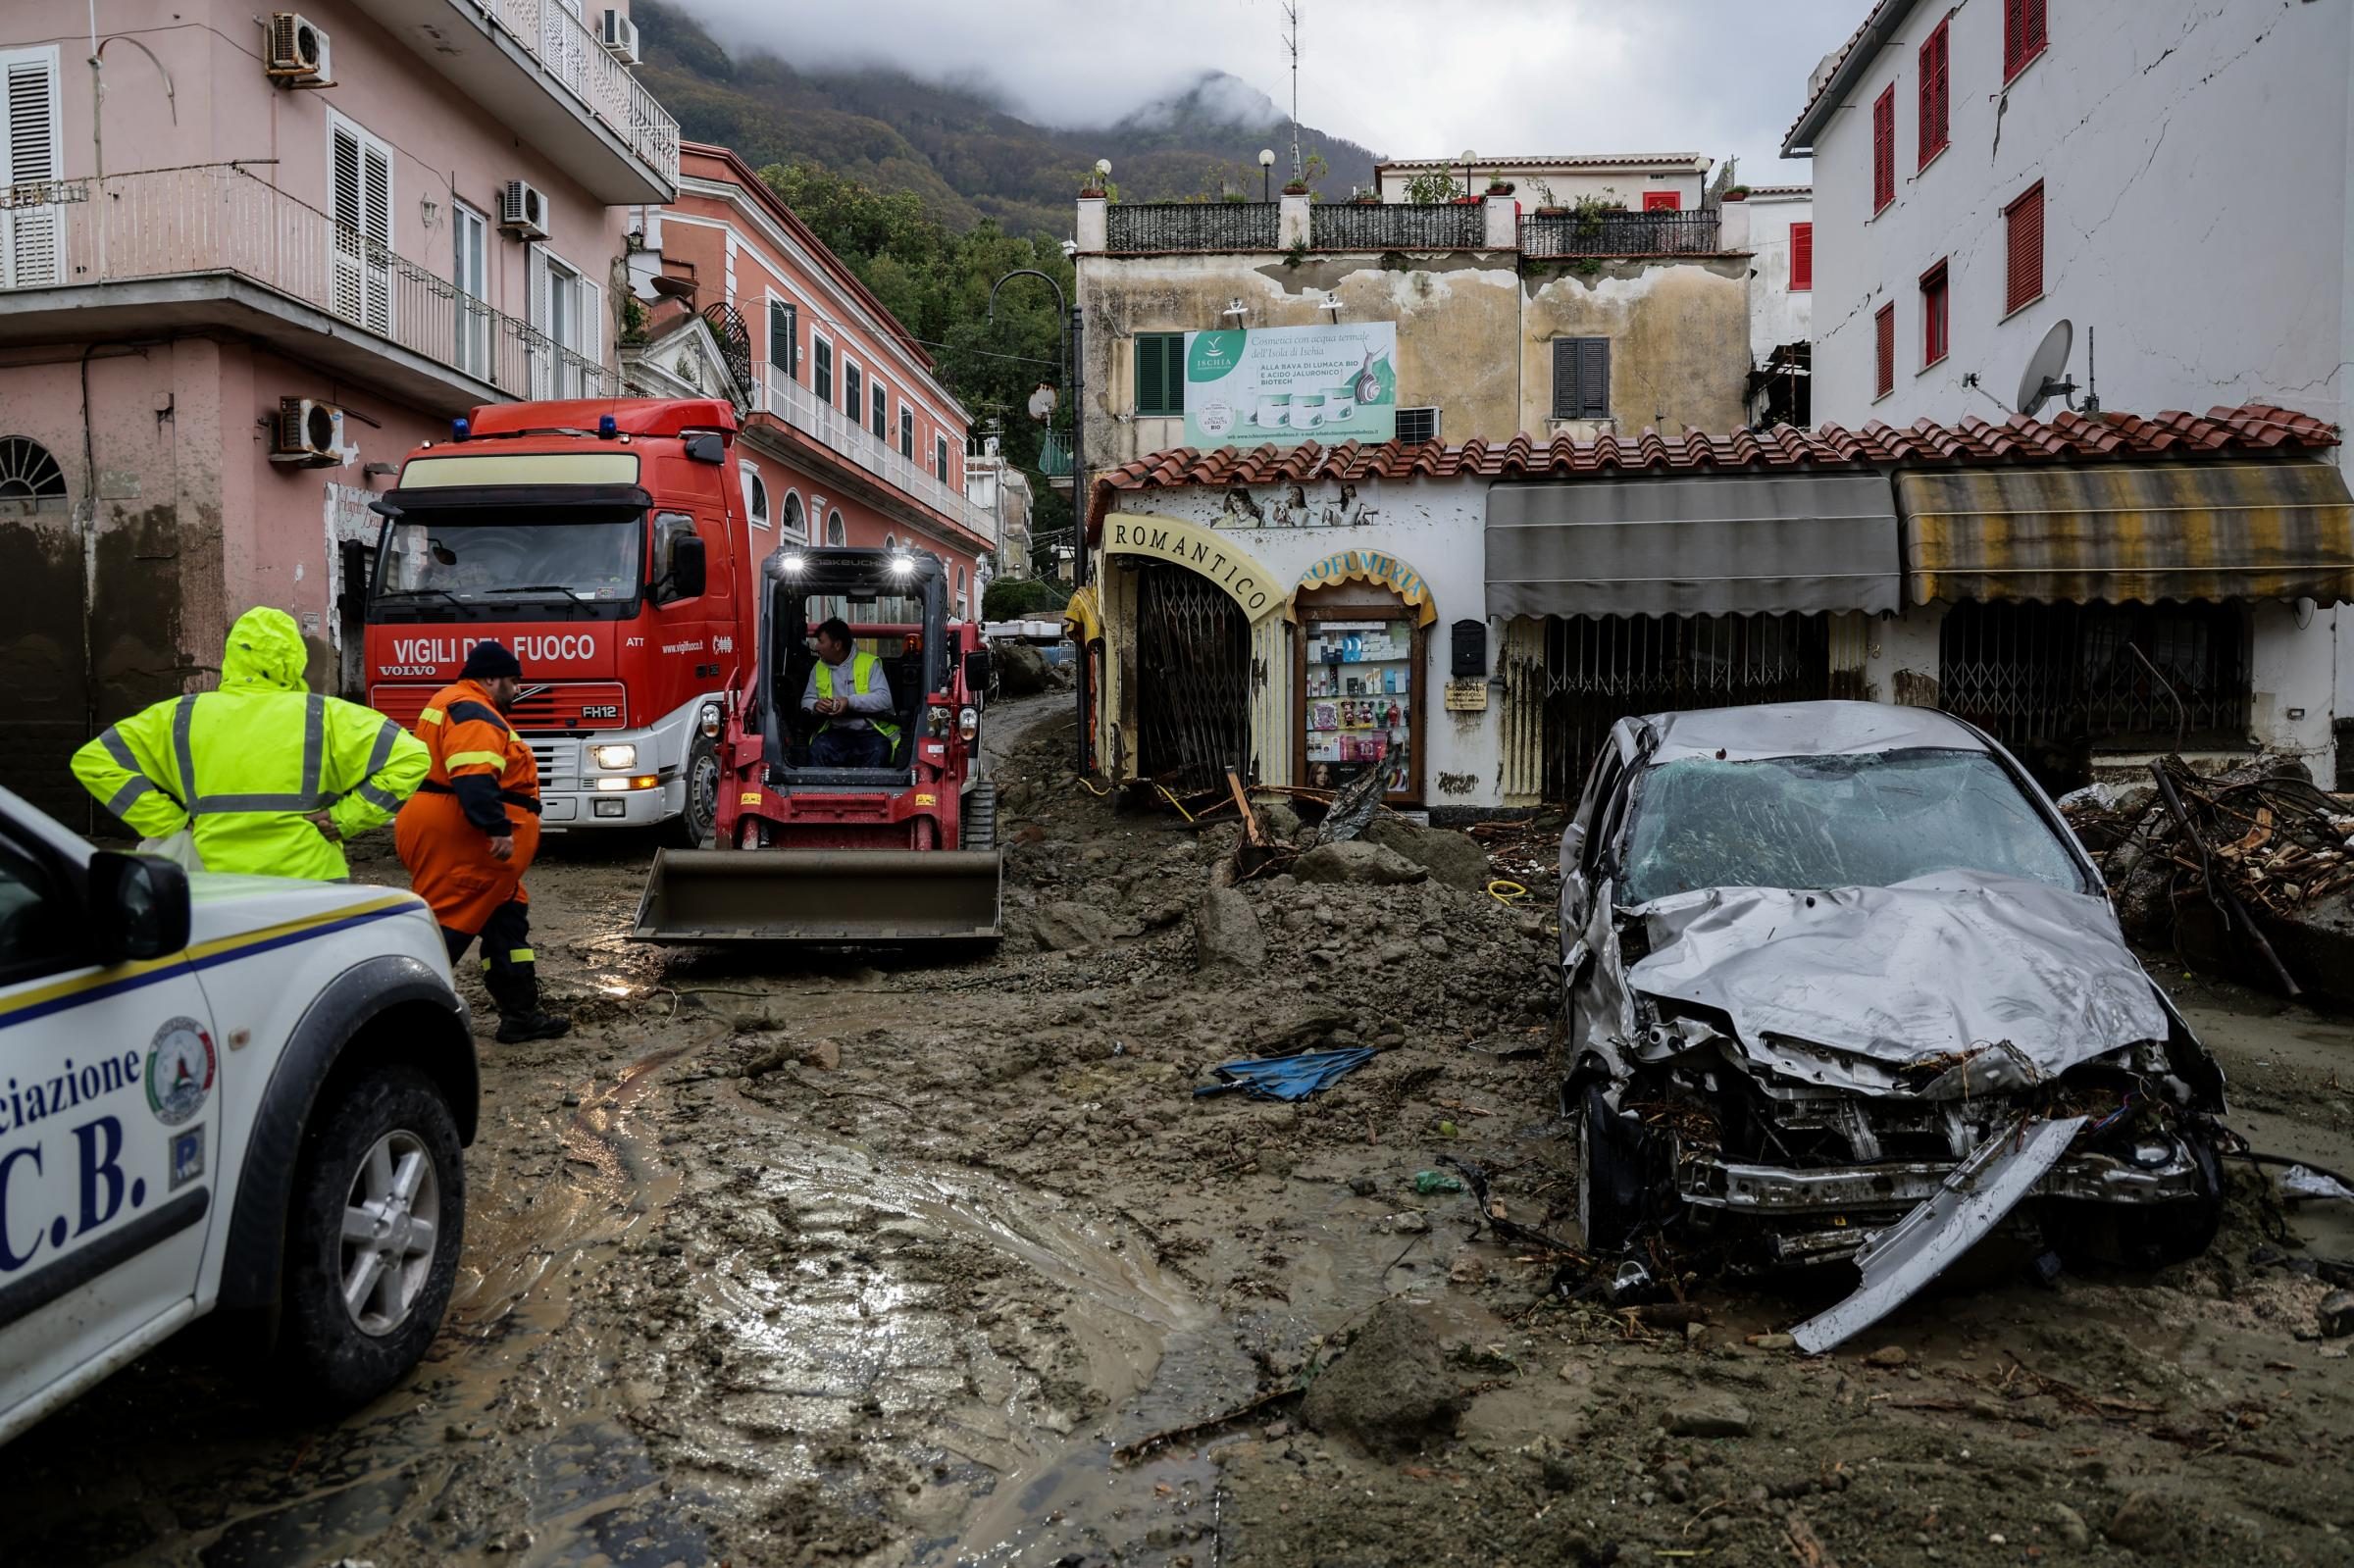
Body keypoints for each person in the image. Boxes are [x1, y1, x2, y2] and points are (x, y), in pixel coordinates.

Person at [69, 605, 428, 879]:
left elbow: (95, 761)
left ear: (232, 657)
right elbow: (411, 757)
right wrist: (345, 819)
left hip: (215, 880)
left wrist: (168, 821)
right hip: (309, 880)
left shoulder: (180, 716)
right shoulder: (325, 716)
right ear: (294, 659)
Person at [394, 641, 570, 1043]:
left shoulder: (454, 704)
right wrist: (496, 827)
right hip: (468, 838)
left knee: (507, 918)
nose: (517, 688)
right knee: (448, 928)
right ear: (490, 678)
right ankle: (403, 1023)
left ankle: (521, 1014)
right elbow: (473, 774)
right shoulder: (472, 709)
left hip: (450, 829)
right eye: (512, 680)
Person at [801, 616, 900, 768]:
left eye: (821, 642)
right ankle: (820, 792)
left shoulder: (869, 664)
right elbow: (806, 700)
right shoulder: (818, 668)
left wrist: (848, 702)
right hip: (836, 732)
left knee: (880, 751)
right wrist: (816, 705)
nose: (816, 647)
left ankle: (870, 793)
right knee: (817, 749)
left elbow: (884, 699)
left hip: (871, 732)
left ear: (837, 645)